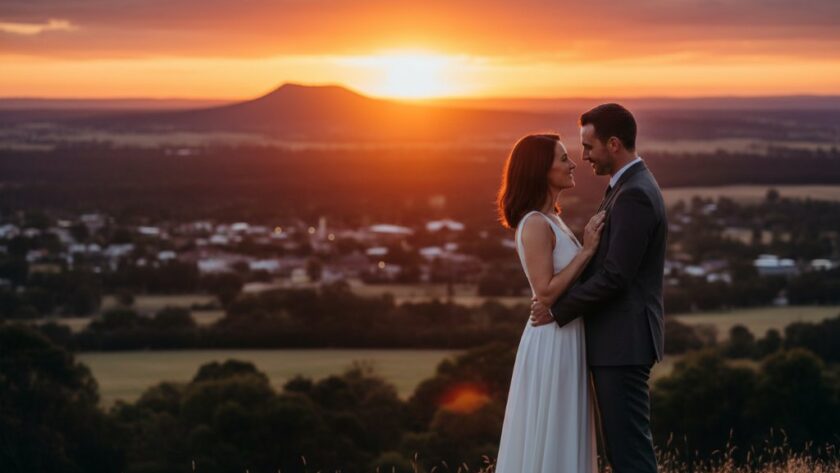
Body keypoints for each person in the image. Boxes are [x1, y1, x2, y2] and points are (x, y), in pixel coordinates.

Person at [530, 103, 667, 473]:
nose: (584, 156)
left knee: (630, 455)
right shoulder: (625, 187)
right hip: (618, 343)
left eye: (589, 147)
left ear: (614, 143)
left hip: (623, 343)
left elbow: (615, 276)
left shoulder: (634, 193)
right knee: (622, 451)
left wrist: (558, 310)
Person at [494, 133, 606, 473]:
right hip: (552, 340)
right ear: (541, 170)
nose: (573, 164)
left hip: (566, 334)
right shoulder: (534, 224)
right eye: (563, 159)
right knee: (553, 425)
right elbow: (545, 293)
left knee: (563, 424)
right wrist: (587, 251)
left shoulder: (552, 219)